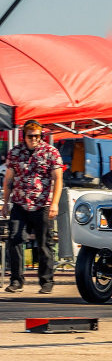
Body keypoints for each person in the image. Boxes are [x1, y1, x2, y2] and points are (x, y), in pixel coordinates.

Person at [1, 120, 63, 293]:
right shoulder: (15, 152)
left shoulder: (51, 152)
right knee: (15, 239)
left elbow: (58, 178)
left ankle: (46, 281)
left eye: (37, 136)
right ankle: (16, 280)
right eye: (31, 136)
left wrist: (55, 203)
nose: (34, 139)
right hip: (20, 203)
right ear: (24, 136)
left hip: (42, 204)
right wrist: (5, 203)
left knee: (44, 244)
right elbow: (9, 179)